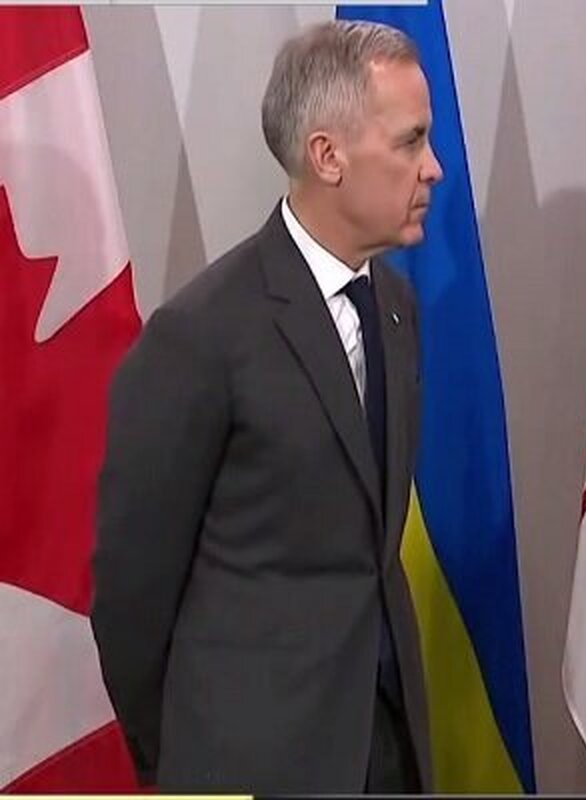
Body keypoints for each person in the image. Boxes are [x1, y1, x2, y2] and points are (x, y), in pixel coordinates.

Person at [91, 20, 442, 794]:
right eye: (411, 142)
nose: (434, 168)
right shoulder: (200, 337)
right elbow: (130, 598)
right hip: (253, 763)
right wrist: (189, 764)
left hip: (387, 749)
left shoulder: (395, 307)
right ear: (327, 155)